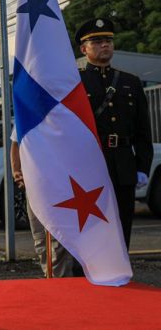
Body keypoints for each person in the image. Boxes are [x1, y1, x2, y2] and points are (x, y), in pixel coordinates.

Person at [75, 18, 153, 249]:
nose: (104, 45)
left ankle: (118, 272)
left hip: (123, 163)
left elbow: (143, 131)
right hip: (89, 163)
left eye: (108, 40)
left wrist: (142, 167)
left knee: (122, 221)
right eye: (97, 41)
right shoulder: (75, 83)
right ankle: (86, 275)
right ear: (84, 49)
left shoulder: (131, 82)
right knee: (90, 223)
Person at [10, 141, 78, 277]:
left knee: (59, 239)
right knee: (40, 239)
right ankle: (49, 277)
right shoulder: (27, 119)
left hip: (59, 182)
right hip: (34, 183)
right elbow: (16, 142)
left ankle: (61, 283)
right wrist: (16, 170)